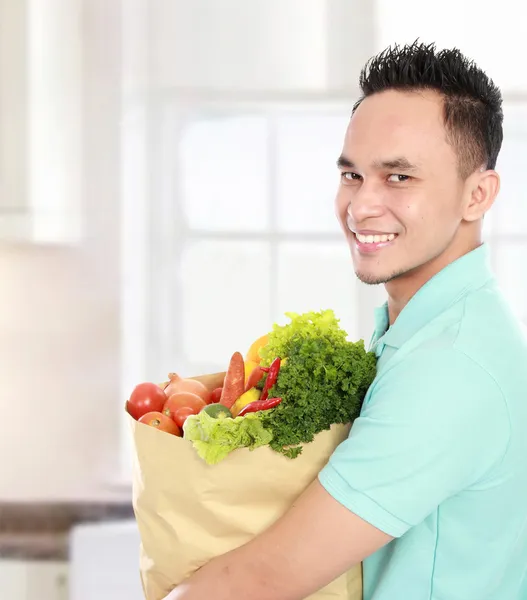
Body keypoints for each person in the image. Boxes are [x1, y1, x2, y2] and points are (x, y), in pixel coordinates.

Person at [164, 41, 527, 600]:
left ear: (477, 194)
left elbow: (265, 578)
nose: (360, 207)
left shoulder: (449, 366)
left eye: (398, 178)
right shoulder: (431, 331)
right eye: (352, 175)